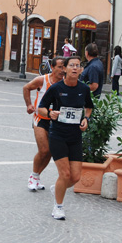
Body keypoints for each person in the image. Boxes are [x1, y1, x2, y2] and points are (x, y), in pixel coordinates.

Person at [37, 56, 94, 220]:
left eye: (78, 66)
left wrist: (86, 119)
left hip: (75, 136)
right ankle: (58, 207)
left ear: (81, 70)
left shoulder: (84, 89)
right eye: (72, 65)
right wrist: (50, 113)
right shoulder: (56, 88)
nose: (75, 68)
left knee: (75, 177)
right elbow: (41, 108)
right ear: (66, 69)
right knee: (65, 174)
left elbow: (88, 107)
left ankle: (58, 188)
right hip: (58, 136)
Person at [22, 57, 66, 191]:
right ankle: (33, 175)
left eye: (64, 67)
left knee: (50, 152)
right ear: (52, 67)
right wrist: (29, 104)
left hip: (56, 121)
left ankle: (36, 176)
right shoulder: (43, 80)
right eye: (59, 67)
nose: (62, 70)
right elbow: (26, 87)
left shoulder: (65, 82)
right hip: (40, 118)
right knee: (44, 150)